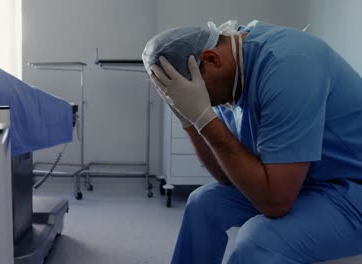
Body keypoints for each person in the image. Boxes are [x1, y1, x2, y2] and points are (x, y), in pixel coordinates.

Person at [142, 20, 362, 264]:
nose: (201, 102)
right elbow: (226, 177)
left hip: (351, 187)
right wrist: (188, 119)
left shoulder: (288, 65)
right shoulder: (232, 72)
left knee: (257, 241)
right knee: (203, 204)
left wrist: (204, 118)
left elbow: (276, 202)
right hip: (304, 178)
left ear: (212, 59)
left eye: (193, 93)